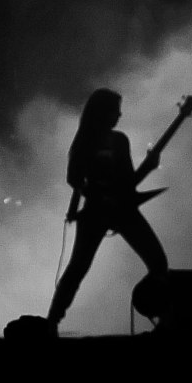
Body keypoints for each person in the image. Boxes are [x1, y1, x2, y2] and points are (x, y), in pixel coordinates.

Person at [46, 88, 169, 329]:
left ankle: (164, 316)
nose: (119, 115)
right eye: (115, 110)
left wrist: (148, 167)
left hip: (120, 210)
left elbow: (128, 182)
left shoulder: (120, 141)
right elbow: (73, 178)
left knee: (158, 262)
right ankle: (52, 322)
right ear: (103, 112)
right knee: (78, 268)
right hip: (96, 212)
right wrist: (97, 197)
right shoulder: (85, 142)